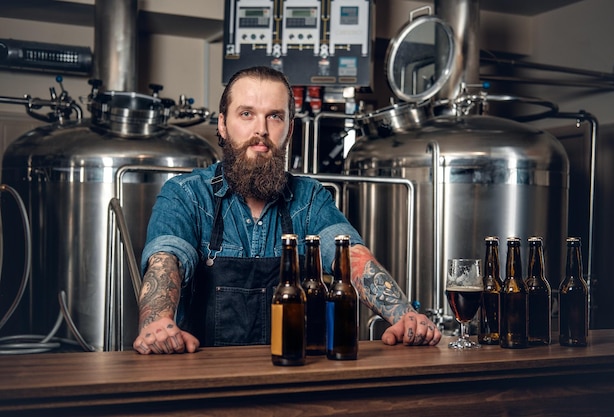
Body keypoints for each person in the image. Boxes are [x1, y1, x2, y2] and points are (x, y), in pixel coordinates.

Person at [133, 66, 441, 354]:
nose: (261, 130)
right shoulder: (186, 194)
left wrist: (404, 314)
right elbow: (165, 261)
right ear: (223, 125)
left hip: (292, 375)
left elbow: (354, 259)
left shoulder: (308, 198)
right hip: (204, 380)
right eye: (246, 114)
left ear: (289, 129)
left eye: (274, 117)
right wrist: (157, 322)